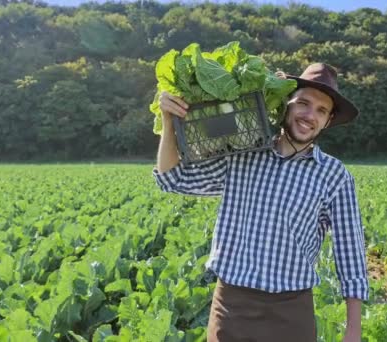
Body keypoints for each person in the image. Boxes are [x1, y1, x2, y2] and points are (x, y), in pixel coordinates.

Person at [153, 63, 368, 342]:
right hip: (232, 307)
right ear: (284, 105)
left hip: (291, 312)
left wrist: (353, 330)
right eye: (302, 103)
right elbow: (173, 179)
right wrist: (169, 121)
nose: (309, 115)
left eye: (321, 110)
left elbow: (349, 251)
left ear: (327, 121)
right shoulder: (243, 154)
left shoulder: (334, 176)